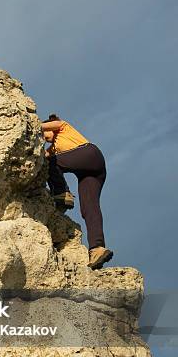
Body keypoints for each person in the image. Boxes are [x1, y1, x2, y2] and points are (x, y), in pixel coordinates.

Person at [41, 113, 113, 270]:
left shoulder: (62, 128)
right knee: (89, 208)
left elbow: (44, 126)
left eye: (44, 133)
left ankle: (61, 192)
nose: (43, 136)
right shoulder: (53, 149)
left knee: (51, 162)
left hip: (88, 154)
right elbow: (42, 157)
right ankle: (97, 248)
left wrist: (32, 124)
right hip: (92, 172)